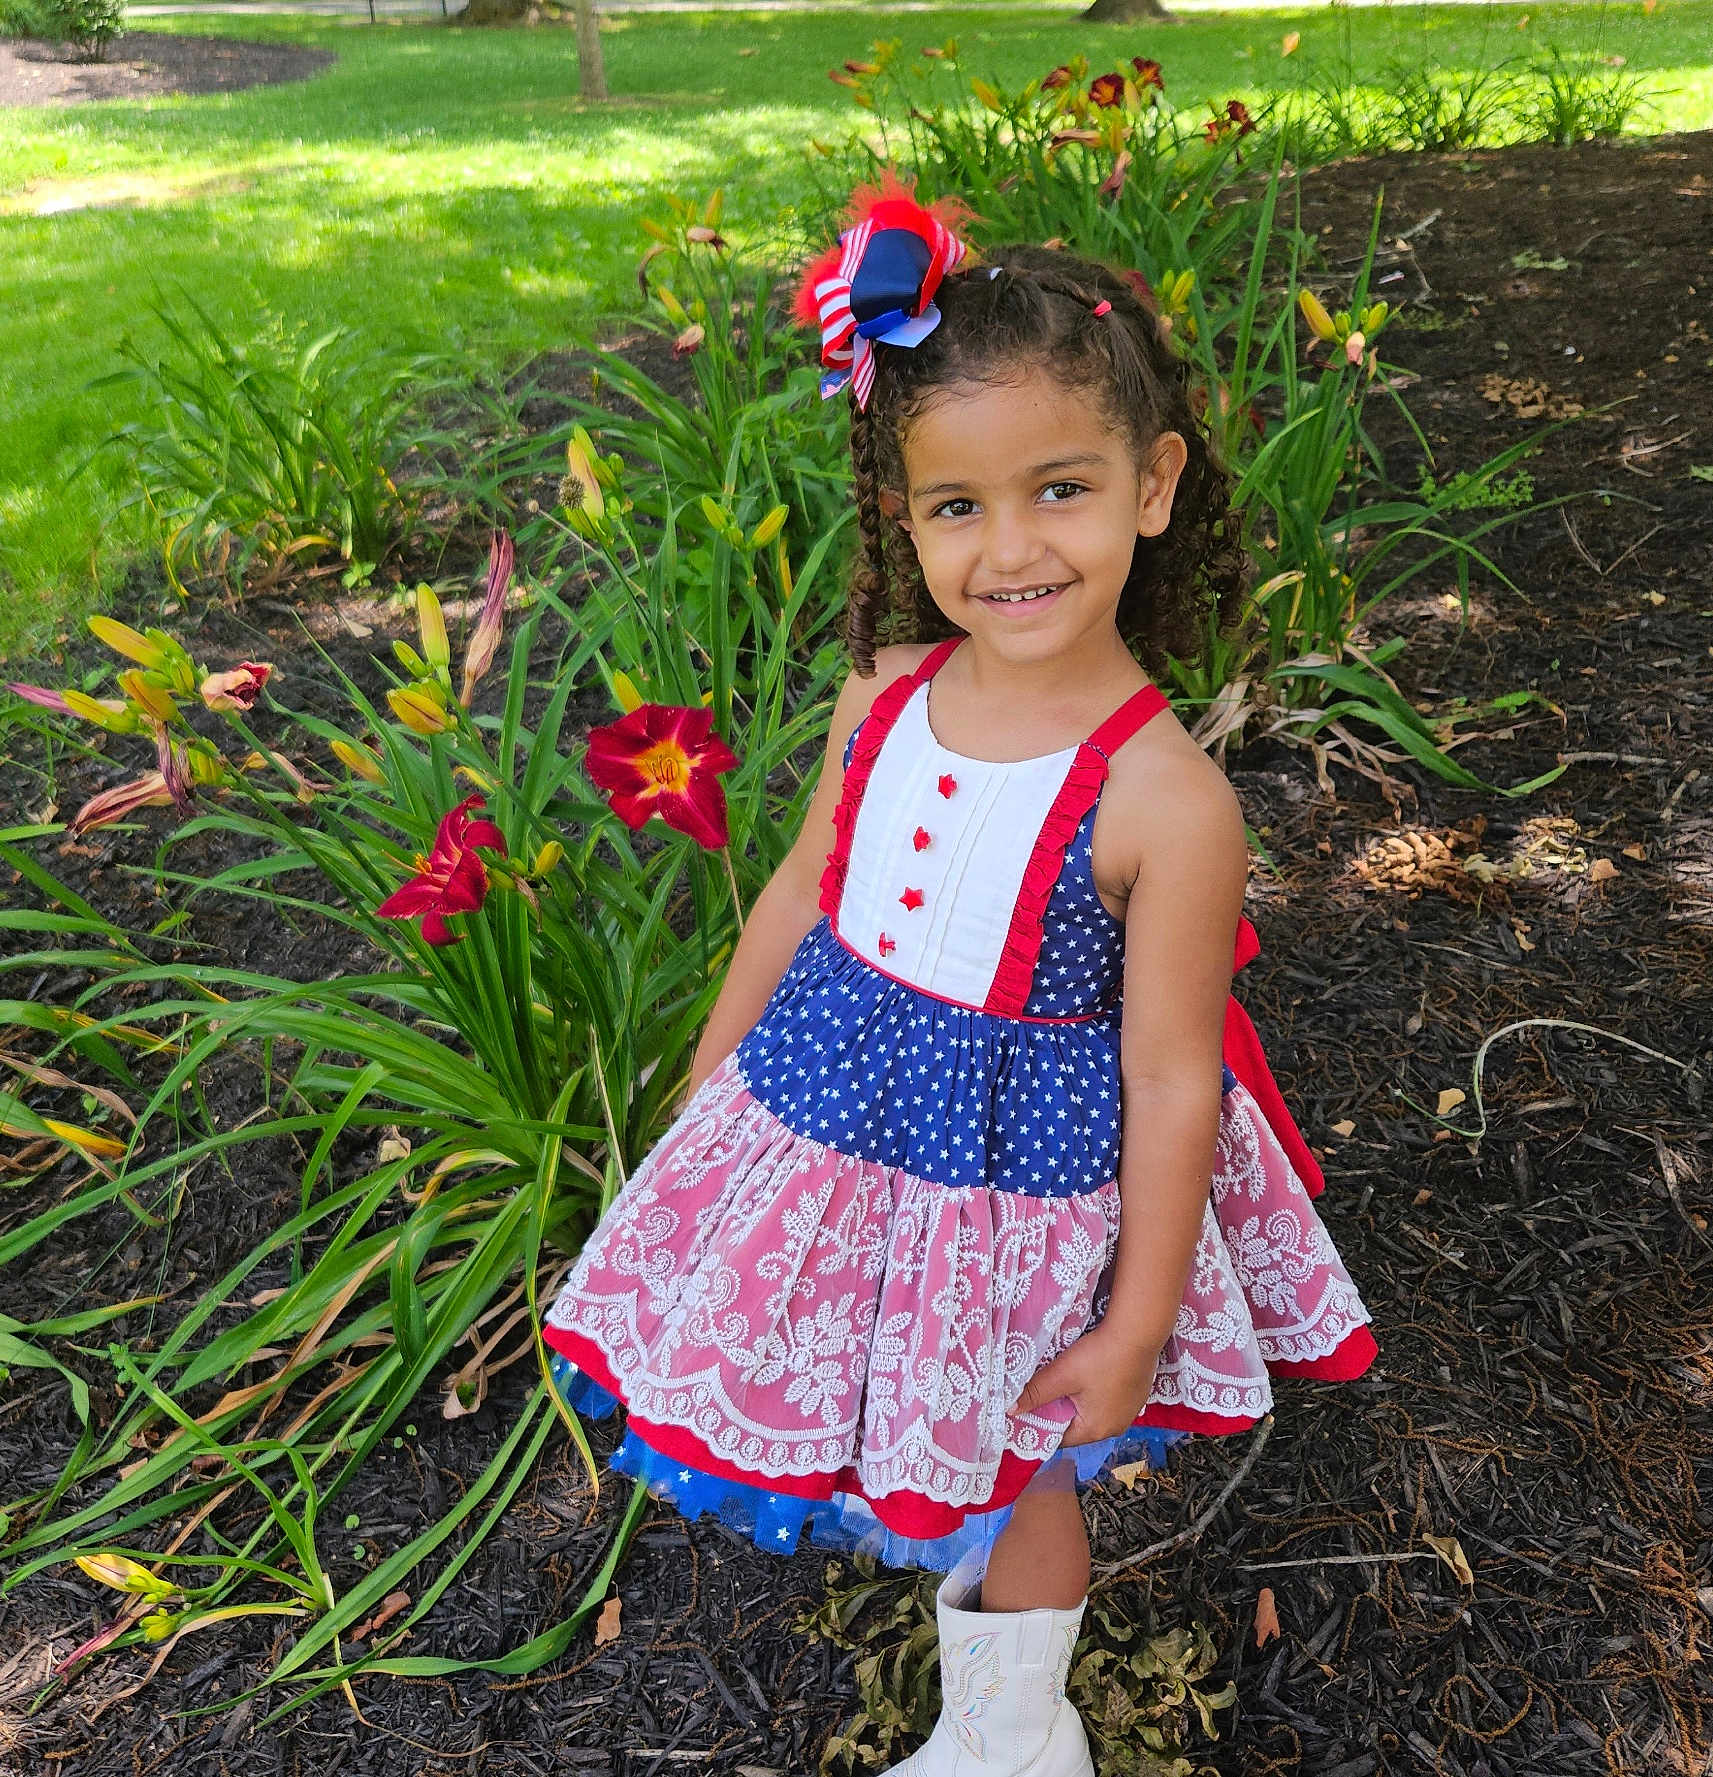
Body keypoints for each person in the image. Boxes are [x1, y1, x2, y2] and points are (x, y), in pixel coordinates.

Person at [544, 177, 1377, 1777]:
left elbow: (1169, 1075)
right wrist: (710, 1085)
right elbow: (800, 890)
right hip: (834, 1127)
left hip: (1019, 1189)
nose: (1009, 548)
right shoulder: (878, 696)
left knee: (1022, 1471)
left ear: (1152, 484)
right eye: (954, 507)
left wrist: (1136, 1318)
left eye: (1058, 488)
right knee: (910, 1416)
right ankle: (967, 1650)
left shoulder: (1165, 801)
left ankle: (1014, 1731)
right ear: (902, 515)